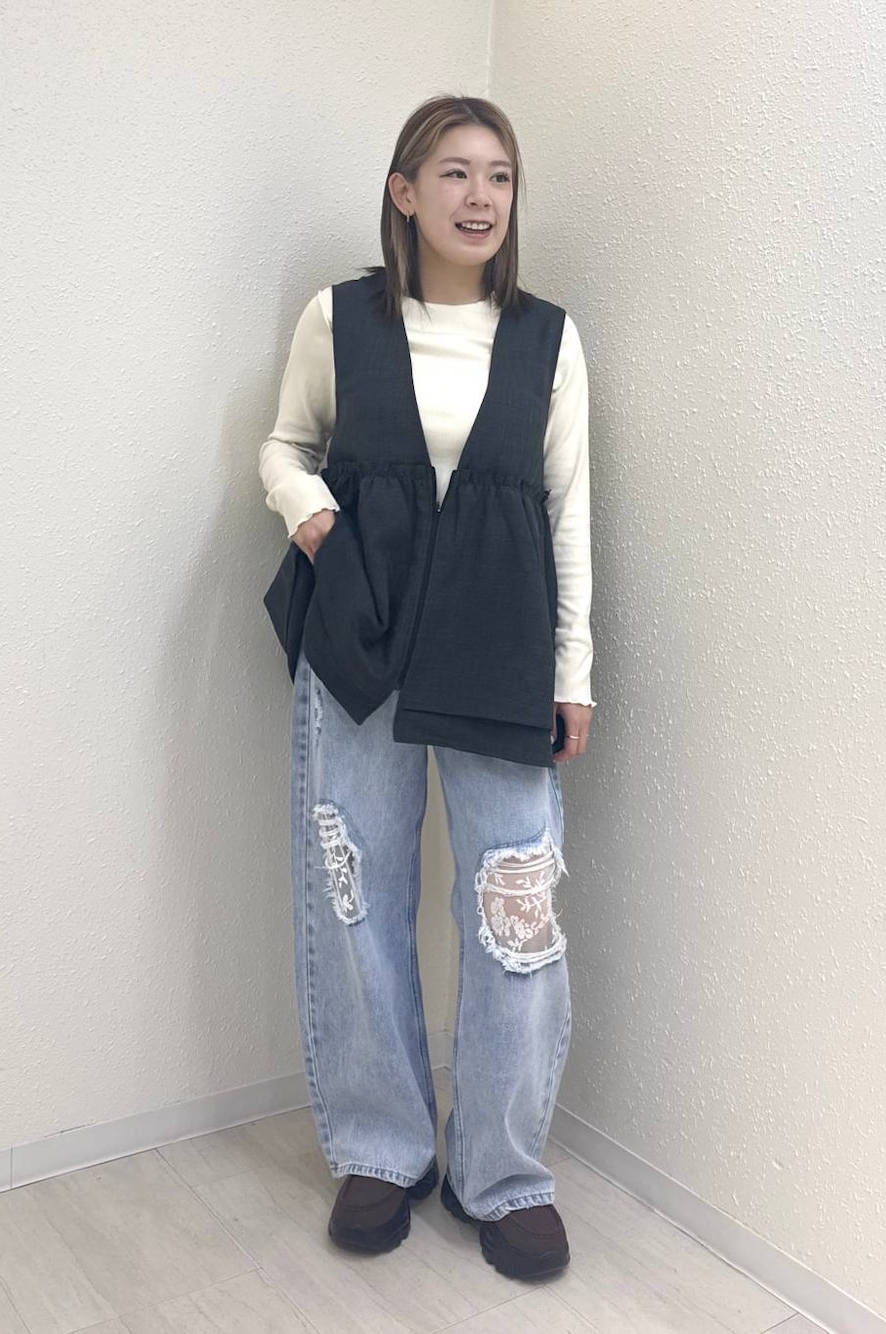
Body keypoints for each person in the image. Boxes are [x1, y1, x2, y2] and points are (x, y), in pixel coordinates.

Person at [257, 94, 595, 1280]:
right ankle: (381, 1148)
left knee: (514, 902)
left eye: (498, 175)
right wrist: (312, 518)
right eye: (453, 171)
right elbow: (283, 446)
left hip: (500, 644)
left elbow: (568, 514)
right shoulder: (339, 317)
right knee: (357, 891)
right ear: (404, 192)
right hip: (360, 639)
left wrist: (574, 673)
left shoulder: (548, 340)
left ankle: (502, 1173)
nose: (478, 196)